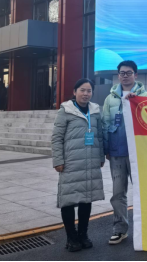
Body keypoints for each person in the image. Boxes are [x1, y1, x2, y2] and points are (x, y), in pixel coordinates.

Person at [52, 79, 106, 252]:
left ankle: (83, 234)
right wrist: (58, 160)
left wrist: (101, 156)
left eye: (89, 91)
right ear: (74, 92)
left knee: (86, 199)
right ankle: (71, 237)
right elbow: (57, 138)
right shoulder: (66, 110)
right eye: (82, 90)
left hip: (90, 162)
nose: (86, 94)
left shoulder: (95, 111)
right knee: (68, 200)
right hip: (71, 163)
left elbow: (99, 136)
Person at [102, 61, 147, 245]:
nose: (125, 76)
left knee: (143, 192)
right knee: (117, 194)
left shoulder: (145, 96)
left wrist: (136, 103)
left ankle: (146, 228)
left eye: (129, 73)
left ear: (136, 75)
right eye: (122, 73)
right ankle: (120, 229)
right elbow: (105, 124)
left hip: (139, 154)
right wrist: (106, 149)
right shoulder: (110, 99)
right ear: (118, 75)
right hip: (117, 153)